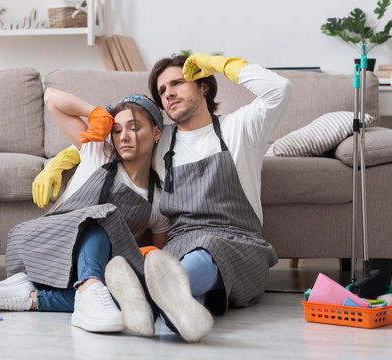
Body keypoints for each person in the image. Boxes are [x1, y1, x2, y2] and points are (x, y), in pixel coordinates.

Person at [34, 53, 292, 342]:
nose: (168, 93)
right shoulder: (161, 138)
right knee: (184, 276)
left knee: (206, 248)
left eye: (177, 83)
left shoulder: (241, 128)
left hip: (238, 241)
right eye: (162, 90)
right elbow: (115, 144)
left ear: (203, 86)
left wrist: (220, 64)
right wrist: (65, 158)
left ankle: (145, 298)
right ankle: (172, 310)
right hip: (178, 244)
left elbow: (279, 90)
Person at [0, 89, 169, 334]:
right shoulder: (98, 152)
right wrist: (94, 113)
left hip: (81, 269)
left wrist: (143, 257)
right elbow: (51, 98)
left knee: (134, 293)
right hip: (46, 245)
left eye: (135, 128)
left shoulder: (157, 200)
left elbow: (160, 256)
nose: (124, 137)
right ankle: (89, 286)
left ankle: (30, 297)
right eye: (117, 130)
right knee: (104, 213)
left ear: (156, 133)